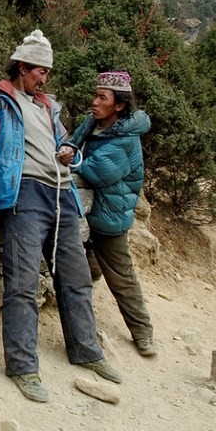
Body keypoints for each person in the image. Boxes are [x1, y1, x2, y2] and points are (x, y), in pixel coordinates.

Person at [0, 30, 122, 403]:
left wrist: (73, 154)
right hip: (25, 193)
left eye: (47, 73)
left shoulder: (48, 108)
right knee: (22, 283)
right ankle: (23, 366)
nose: (44, 79)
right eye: (40, 71)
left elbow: (68, 147)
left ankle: (86, 351)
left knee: (75, 277)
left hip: (63, 194)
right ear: (22, 67)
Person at [70, 71, 156, 357]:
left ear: (119, 105)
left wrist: (71, 161)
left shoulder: (125, 141)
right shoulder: (97, 125)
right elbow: (72, 143)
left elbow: (95, 171)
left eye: (102, 97)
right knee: (91, 259)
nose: (94, 102)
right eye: (95, 95)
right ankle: (89, 278)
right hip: (95, 212)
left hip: (110, 215)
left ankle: (143, 332)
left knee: (120, 275)